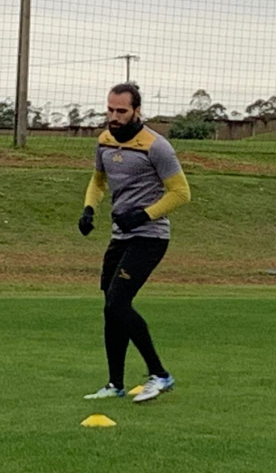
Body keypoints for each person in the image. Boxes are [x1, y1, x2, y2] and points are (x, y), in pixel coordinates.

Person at [80, 82, 191, 404]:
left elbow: (182, 193)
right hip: (120, 237)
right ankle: (115, 384)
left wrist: (143, 216)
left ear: (137, 111)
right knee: (111, 310)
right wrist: (89, 209)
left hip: (150, 237)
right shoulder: (103, 141)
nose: (114, 116)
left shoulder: (157, 147)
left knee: (118, 303)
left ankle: (160, 375)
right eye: (110, 109)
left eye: (121, 111)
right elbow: (98, 181)